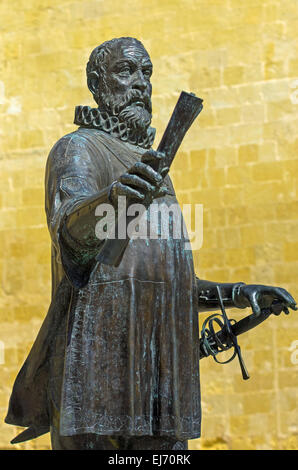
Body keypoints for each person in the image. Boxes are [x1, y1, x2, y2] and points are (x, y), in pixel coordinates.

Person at [5, 37, 297, 450]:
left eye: (147, 73)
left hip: (162, 389)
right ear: (96, 82)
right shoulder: (80, 148)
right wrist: (114, 198)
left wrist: (239, 294)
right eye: (126, 72)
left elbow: (171, 283)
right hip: (95, 386)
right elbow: (69, 231)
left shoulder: (153, 169)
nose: (140, 83)